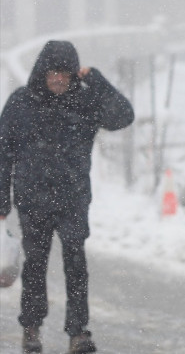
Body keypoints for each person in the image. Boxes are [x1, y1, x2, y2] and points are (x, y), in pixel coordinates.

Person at [0, 40, 135, 354]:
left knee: (76, 264)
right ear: (42, 73)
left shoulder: (86, 101)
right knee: (35, 265)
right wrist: (1, 202)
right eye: (53, 73)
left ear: (74, 74)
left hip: (73, 198)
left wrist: (98, 81)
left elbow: (123, 116)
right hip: (32, 199)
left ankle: (78, 333)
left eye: (65, 73)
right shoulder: (21, 102)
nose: (58, 79)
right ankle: (31, 330)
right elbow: (2, 154)